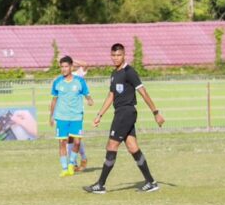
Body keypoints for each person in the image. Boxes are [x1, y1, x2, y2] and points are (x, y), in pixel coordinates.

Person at [84, 43, 163, 194]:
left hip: (125, 113)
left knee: (111, 146)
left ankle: (100, 185)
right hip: (121, 113)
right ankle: (151, 182)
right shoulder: (114, 74)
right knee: (133, 147)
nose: (115, 58)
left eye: (118, 55)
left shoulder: (129, 72)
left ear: (124, 55)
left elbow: (143, 92)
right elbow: (111, 95)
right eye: (113, 55)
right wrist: (99, 115)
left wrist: (156, 112)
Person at [49, 55, 91, 176]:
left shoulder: (79, 76)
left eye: (67, 66)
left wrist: (73, 60)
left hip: (76, 114)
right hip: (64, 114)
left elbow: (85, 64)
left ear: (71, 66)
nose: (64, 68)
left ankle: (82, 158)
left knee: (75, 140)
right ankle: (71, 164)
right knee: (67, 140)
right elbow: (55, 95)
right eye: (62, 66)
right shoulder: (60, 80)